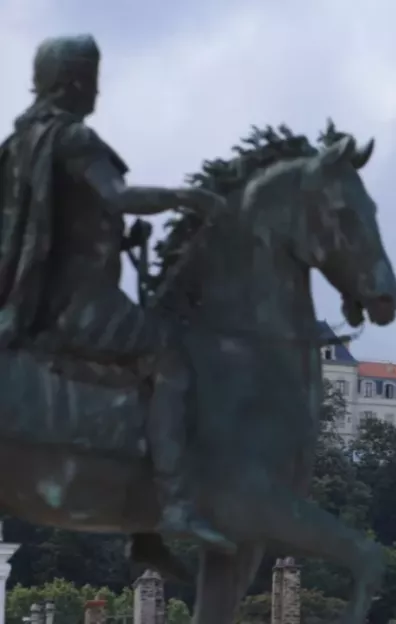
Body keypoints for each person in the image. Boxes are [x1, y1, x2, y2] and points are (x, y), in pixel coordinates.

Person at [0, 34, 234, 553]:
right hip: (78, 302)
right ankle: (170, 509)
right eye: (93, 79)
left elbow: (56, 220)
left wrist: (113, 235)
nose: (97, 93)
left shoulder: (20, 143)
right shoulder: (73, 138)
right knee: (171, 356)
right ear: (77, 80)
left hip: (34, 297)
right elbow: (118, 195)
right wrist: (186, 197)